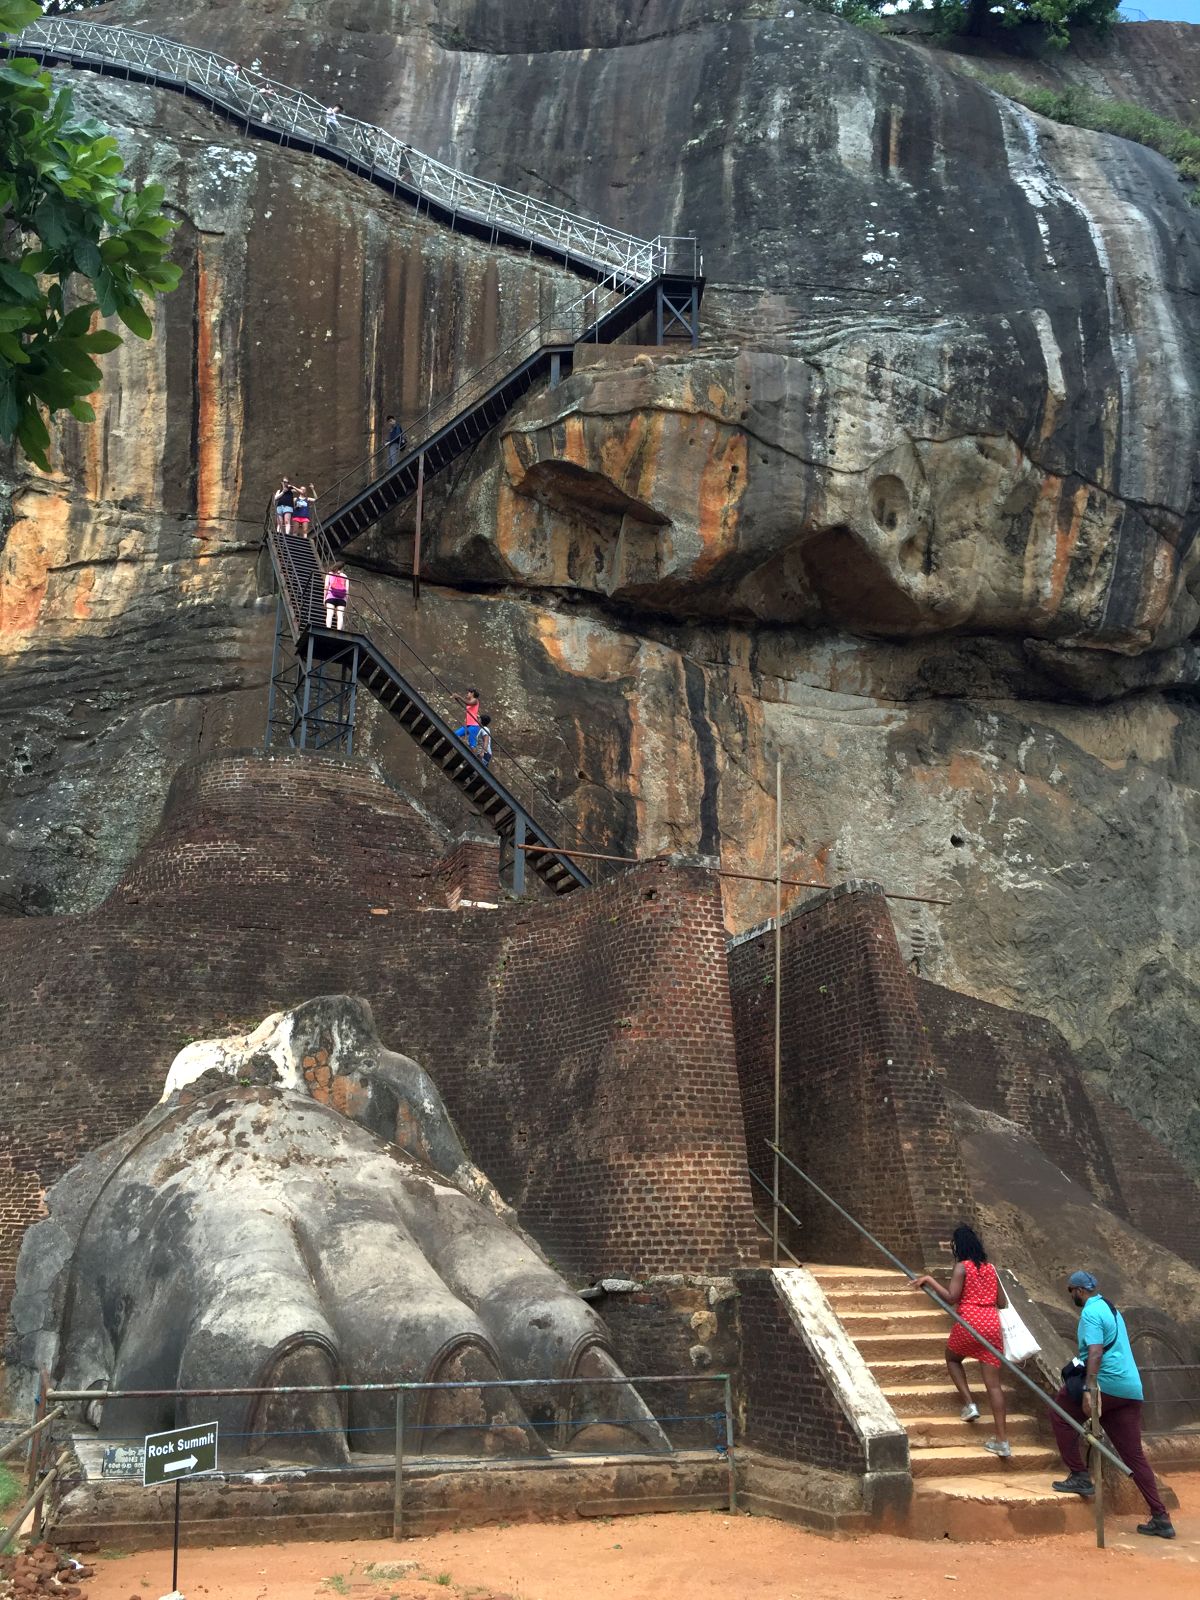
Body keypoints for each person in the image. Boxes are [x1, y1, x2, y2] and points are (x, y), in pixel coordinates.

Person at [1049, 1270, 1174, 1538]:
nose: (1071, 1296)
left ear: (1080, 1291)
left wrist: (1089, 1388)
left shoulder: (1091, 1313)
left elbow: (1095, 1351)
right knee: (1134, 1456)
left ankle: (1079, 1475)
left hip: (1107, 1385)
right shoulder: (1111, 1308)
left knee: (1060, 1412)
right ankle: (1160, 1516)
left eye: (1071, 1291)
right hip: (1130, 1390)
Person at [910, 1224, 1010, 1459]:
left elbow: (952, 1297)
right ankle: (1002, 1441)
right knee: (994, 1386)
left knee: (952, 1358)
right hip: (991, 1325)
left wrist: (929, 1280)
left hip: (970, 1323)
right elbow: (1002, 1302)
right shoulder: (990, 1268)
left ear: (958, 1246)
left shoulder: (962, 1267)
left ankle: (970, 1404)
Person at [324, 566, 349, 631]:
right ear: (342, 569)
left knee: (330, 613)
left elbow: (326, 586)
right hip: (341, 598)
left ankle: (328, 629)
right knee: (340, 615)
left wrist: (324, 598)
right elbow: (347, 590)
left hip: (330, 597)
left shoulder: (329, 574)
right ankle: (339, 630)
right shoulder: (345, 576)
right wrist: (346, 600)